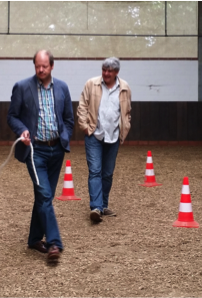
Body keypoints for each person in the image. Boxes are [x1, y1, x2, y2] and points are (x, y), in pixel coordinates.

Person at [7, 50, 74, 260]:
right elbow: (12, 116)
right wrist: (21, 130)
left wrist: (65, 137)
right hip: (35, 150)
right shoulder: (22, 87)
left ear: (52, 66)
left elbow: (69, 119)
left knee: (44, 196)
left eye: (44, 66)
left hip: (57, 150)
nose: (41, 70)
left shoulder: (62, 87)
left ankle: (34, 238)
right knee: (45, 195)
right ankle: (54, 243)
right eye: (37, 66)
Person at [77, 57, 132, 223]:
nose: (106, 73)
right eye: (104, 70)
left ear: (116, 72)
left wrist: (125, 128)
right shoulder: (91, 84)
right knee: (95, 171)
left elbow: (127, 111)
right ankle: (96, 207)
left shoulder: (125, 88)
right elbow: (82, 106)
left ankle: (103, 204)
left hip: (113, 136)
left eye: (110, 71)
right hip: (94, 134)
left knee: (107, 174)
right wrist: (85, 127)